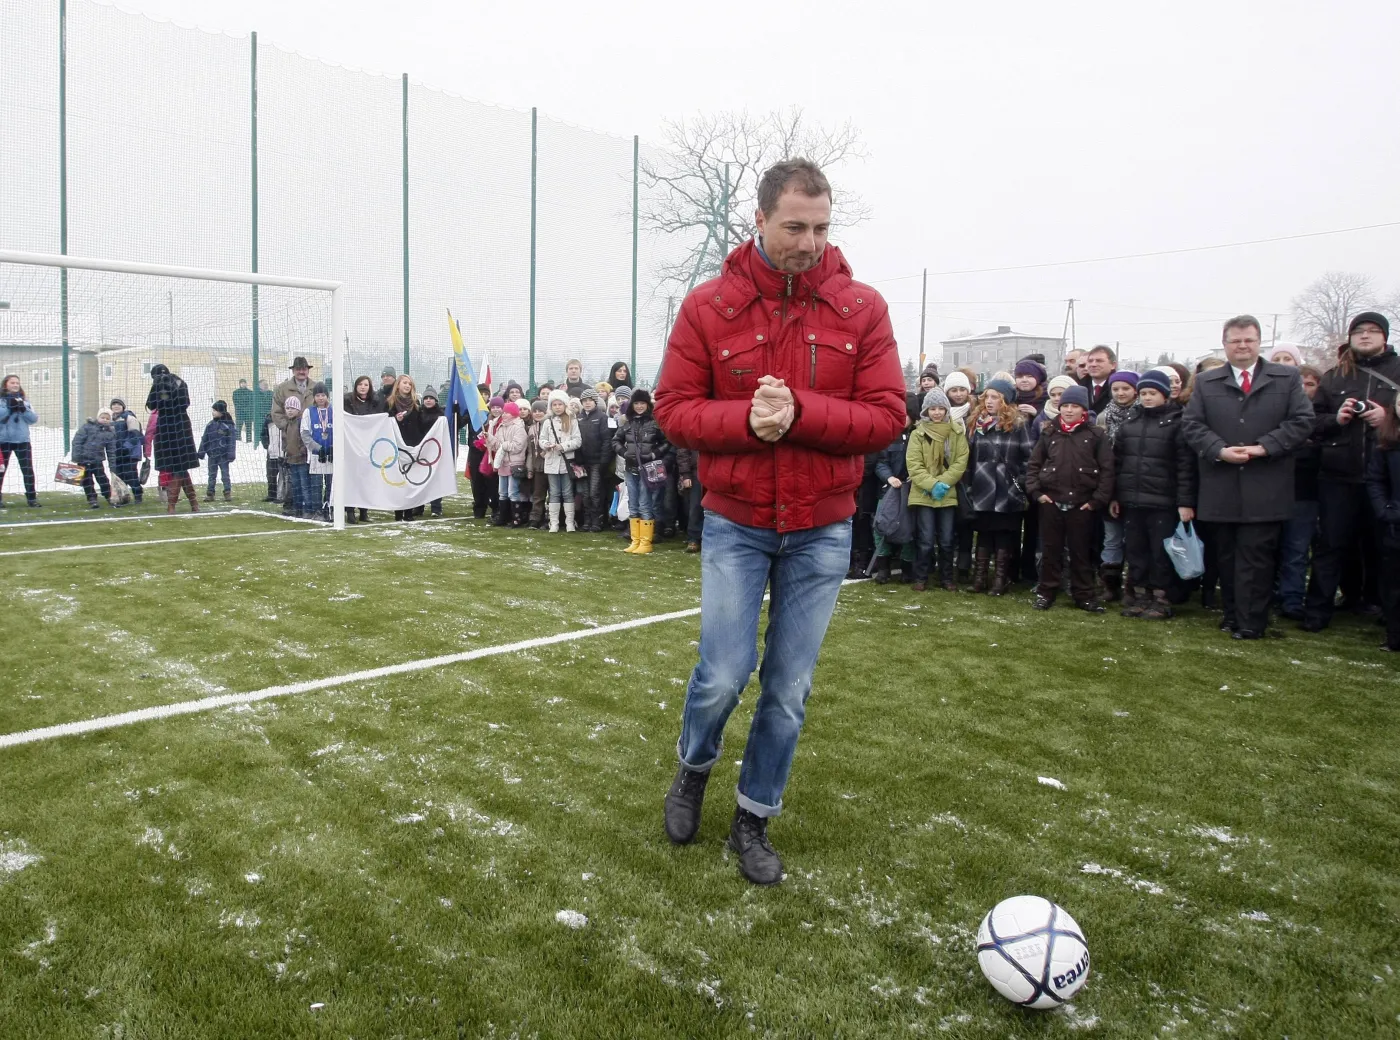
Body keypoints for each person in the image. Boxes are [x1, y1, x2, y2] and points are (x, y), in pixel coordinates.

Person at [653, 158, 905, 886]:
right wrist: (747, 422)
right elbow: (673, 410)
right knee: (723, 674)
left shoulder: (863, 308)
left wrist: (799, 412)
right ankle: (693, 769)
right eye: (795, 226)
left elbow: (888, 415)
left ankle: (753, 816)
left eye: (821, 227)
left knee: (788, 689)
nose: (809, 241)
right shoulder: (708, 306)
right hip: (736, 521)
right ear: (759, 220)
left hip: (822, 526)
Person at [1181, 315, 1314, 639]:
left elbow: (1302, 421)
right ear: (1225, 344)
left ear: (1259, 342)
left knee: (1256, 557)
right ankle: (1231, 614)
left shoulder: (1286, 378)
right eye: (1235, 341)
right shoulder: (1208, 382)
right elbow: (1192, 425)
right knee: (1225, 556)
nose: (1242, 346)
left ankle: (1252, 621)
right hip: (1220, 484)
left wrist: (1263, 448)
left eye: (1249, 340)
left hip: (1265, 485)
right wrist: (1219, 450)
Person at [1302, 312, 1400, 632]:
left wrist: (1388, 419)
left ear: (1385, 337)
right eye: (1359, 331)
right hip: (1338, 475)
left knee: (1388, 549)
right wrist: (1338, 419)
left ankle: (1389, 615)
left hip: (1386, 477)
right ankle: (1317, 613)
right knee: (1330, 546)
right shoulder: (1334, 377)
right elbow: (1312, 424)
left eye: (1373, 331)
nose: (1366, 336)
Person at [1111, 368, 1196, 620]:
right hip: (1132, 500)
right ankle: (1139, 595)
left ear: (1165, 394)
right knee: (1136, 550)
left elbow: (1185, 467)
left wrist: (1185, 502)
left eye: (1153, 393)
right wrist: (1115, 496)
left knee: (1160, 552)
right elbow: (1118, 463)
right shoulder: (1130, 424)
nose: (1148, 398)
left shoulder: (1177, 424)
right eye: (1144, 393)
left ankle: (1160, 597)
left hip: (1163, 502)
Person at [1026, 385, 1113, 611]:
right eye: (1065, 405)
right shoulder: (1048, 433)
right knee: (1050, 551)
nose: (1069, 410)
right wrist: (1037, 493)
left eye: (1074, 406)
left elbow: (1107, 470)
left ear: (1083, 409)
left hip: (1082, 504)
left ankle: (1084, 594)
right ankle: (1046, 592)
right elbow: (1034, 465)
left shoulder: (1096, 435)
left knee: (1081, 552)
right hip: (1051, 501)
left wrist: (1096, 501)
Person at [967, 376, 1034, 595]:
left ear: (1004, 400)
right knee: (984, 533)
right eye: (987, 396)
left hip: (1007, 490)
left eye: (995, 397)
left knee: (1004, 535)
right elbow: (968, 457)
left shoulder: (1018, 424)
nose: (989, 401)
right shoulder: (976, 424)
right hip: (982, 488)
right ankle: (980, 579)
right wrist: (969, 484)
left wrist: (1019, 483)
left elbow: (1029, 458)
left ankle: (1000, 580)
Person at [906, 386, 969, 591]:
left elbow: (960, 461)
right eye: (932, 409)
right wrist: (932, 485)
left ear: (946, 410)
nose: (937, 413)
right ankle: (921, 577)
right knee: (925, 539)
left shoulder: (956, 432)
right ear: (926, 411)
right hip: (923, 493)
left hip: (947, 493)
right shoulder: (918, 434)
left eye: (941, 408)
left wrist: (943, 483)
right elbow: (914, 465)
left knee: (947, 539)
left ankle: (946, 578)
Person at [1275, 365, 1323, 620]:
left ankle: (1292, 598)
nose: (1303, 389)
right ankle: (1270, 592)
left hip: (1304, 494)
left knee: (1296, 550)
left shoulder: (1321, 418)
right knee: (1268, 548)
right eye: (1300, 384)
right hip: (1271, 490)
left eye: (1310, 384)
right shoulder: (1277, 412)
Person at [1095, 370, 1139, 602]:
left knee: (1133, 540)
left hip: (1136, 486)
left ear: (1135, 390)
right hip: (1110, 484)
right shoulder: (1103, 417)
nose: (1120, 393)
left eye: (1126, 388)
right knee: (1111, 539)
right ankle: (1109, 586)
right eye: (1116, 389)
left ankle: (1133, 587)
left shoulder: (1142, 415)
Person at [613, 389, 669, 554]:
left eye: (642, 403)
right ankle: (635, 540)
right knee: (633, 503)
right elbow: (615, 440)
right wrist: (624, 453)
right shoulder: (627, 423)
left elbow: (667, 441)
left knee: (646, 504)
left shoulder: (654, 422)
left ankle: (646, 541)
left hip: (649, 469)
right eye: (636, 403)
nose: (639, 406)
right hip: (631, 468)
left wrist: (654, 454)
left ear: (648, 405)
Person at [1364, 401, 1400, 651]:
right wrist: (1385, 510)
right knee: (1393, 583)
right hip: (1395, 523)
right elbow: (1375, 478)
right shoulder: (1388, 441)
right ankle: (1395, 636)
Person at [145, 365, 200, 513]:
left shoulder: (170, 383)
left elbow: (152, 405)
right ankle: (193, 503)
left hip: (169, 426)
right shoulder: (179, 382)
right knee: (181, 468)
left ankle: (172, 505)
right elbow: (184, 403)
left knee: (178, 467)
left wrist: (165, 398)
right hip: (179, 426)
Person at [871, 403, 917, 584]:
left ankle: (907, 568)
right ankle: (883, 568)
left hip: (912, 489)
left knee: (908, 529)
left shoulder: (917, 435)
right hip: (889, 489)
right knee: (881, 526)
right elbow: (880, 462)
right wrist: (889, 478)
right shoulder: (888, 436)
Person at [536, 389, 582, 532]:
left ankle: (569, 522)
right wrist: (546, 445)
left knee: (567, 492)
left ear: (565, 405)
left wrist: (563, 446)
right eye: (554, 404)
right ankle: (554, 522)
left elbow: (577, 441)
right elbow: (541, 439)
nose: (557, 407)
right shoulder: (547, 422)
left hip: (566, 461)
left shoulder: (572, 420)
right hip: (551, 462)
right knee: (554, 493)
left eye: (560, 404)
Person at [342, 375, 384, 523]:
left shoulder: (375, 402)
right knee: (351, 479)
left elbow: (379, 421)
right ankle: (350, 511)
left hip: (369, 447)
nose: (363, 387)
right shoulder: (347, 401)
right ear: (356, 386)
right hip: (352, 446)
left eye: (366, 384)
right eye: (360, 384)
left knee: (366, 480)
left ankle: (364, 512)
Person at [0, 375, 40, 508]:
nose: (15, 385)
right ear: (6, 384)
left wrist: (23, 409)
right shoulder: (1, 401)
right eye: (12, 383)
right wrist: (9, 408)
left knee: (28, 470)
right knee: (1, 470)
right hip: (3, 440)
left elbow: (33, 419)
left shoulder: (25, 401)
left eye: (17, 382)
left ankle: (31, 498)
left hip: (22, 440)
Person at [575, 388, 609, 532]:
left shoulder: (602, 417)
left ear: (595, 401)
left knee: (595, 492)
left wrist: (603, 460)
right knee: (585, 493)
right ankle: (587, 520)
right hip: (582, 462)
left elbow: (607, 440)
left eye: (590, 400)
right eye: (584, 401)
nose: (587, 403)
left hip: (597, 462)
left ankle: (597, 520)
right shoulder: (579, 418)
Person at [491, 400, 530, 527]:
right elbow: (497, 444)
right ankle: (503, 516)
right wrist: (490, 440)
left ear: (513, 413)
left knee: (513, 491)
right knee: (502, 491)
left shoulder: (519, 428)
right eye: (504, 412)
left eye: (507, 412)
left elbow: (518, 446)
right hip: (503, 463)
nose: (504, 414)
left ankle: (516, 518)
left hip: (515, 464)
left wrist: (504, 445)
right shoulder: (501, 426)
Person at [301, 384, 333, 521]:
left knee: (331, 483)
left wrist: (333, 447)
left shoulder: (334, 410)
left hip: (332, 455)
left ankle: (330, 508)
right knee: (316, 485)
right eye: (318, 395)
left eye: (323, 395)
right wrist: (317, 448)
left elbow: (341, 431)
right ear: (314, 397)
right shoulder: (309, 412)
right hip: (316, 455)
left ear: (327, 396)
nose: (321, 398)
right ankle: (317, 510)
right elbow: (305, 434)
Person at [71, 409, 116, 508]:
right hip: (83, 459)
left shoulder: (110, 433)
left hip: (97, 460)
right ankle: (92, 499)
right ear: (98, 417)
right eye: (102, 417)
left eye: (107, 418)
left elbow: (111, 450)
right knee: (87, 481)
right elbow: (77, 442)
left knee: (103, 479)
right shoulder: (87, 427)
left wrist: (113, 466)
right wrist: (77, 457)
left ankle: (109, 496)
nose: (104, 420)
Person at [198, 400, 238, 502]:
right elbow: (205, 439)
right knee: (211, 475)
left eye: (215, 410)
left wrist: (231, 454)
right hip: (212, 455)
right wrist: (201, 452)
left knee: (225, 475)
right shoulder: (210, 425)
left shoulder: (228, 426)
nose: (213, 412)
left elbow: (231, 441)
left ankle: (227, 492)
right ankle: (210, 493)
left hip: (223, 455)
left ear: (221, 412)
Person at [108, 397, 145, 505]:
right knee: (119, 476)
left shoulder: (129, 417)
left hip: (130, 453)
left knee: (131, 475)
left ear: (123, 406)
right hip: (117, 452)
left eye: (118, 404)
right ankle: (122, 497)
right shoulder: (111, 419)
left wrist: (125, 448)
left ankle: (138, 495)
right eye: (113, 404)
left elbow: (135, 435)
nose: (116, 406)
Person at [1079, 345, 1117, 415]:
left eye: (1099, 361)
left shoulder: (1120, 388)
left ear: (1113, 365)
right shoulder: (1079, 388)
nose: (1093, 364)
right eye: (1090, 361)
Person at [232, 378, 255, 442]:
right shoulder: (236, 392)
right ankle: (238, 439)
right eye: (242, 383)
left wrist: (248, 409)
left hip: (248, 413)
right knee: (238, 427)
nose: (243, 384)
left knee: (248, 427)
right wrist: (243, 408)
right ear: (239, 384)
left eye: (244, 383)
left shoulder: (250, 393)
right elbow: (235, 403)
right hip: (239, 413)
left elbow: (252, 403)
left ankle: (249, 439)